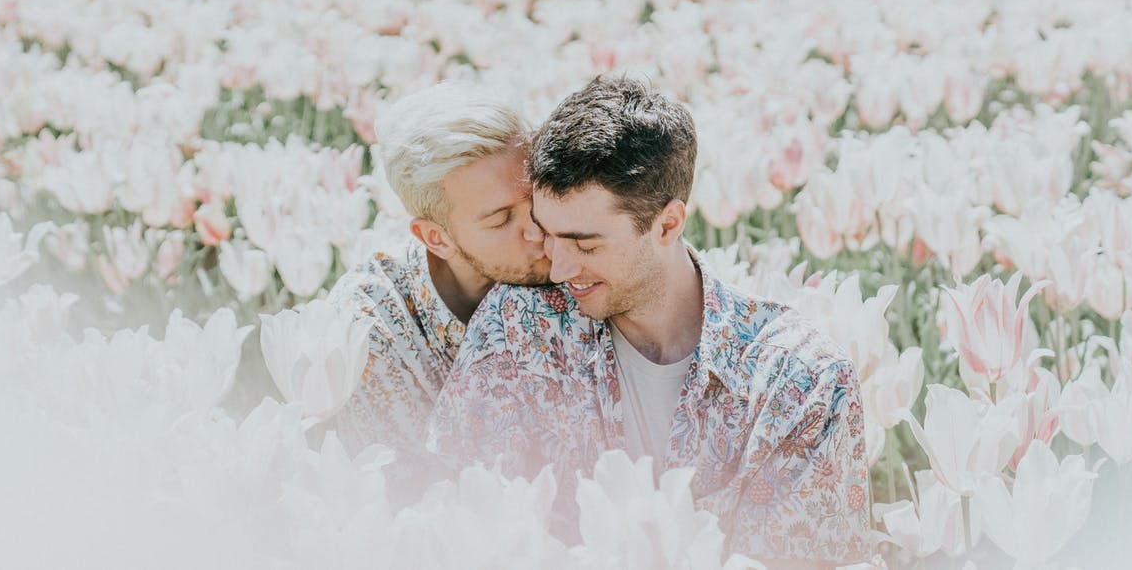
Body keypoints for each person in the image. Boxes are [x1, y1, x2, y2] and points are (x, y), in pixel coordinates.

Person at [428, 76, 871, 566]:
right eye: (550, 237)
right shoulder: (515, 329)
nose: (558, 269)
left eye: (586, 244)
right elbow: (461, 524)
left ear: (668, 223)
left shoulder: (801, 381)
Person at [325, 81, 550, 499]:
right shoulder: (374, 324)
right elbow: (410, 498)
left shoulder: (576, 256)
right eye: (502, 219)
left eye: (537, 200)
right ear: (436, 237)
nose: (539, 230)